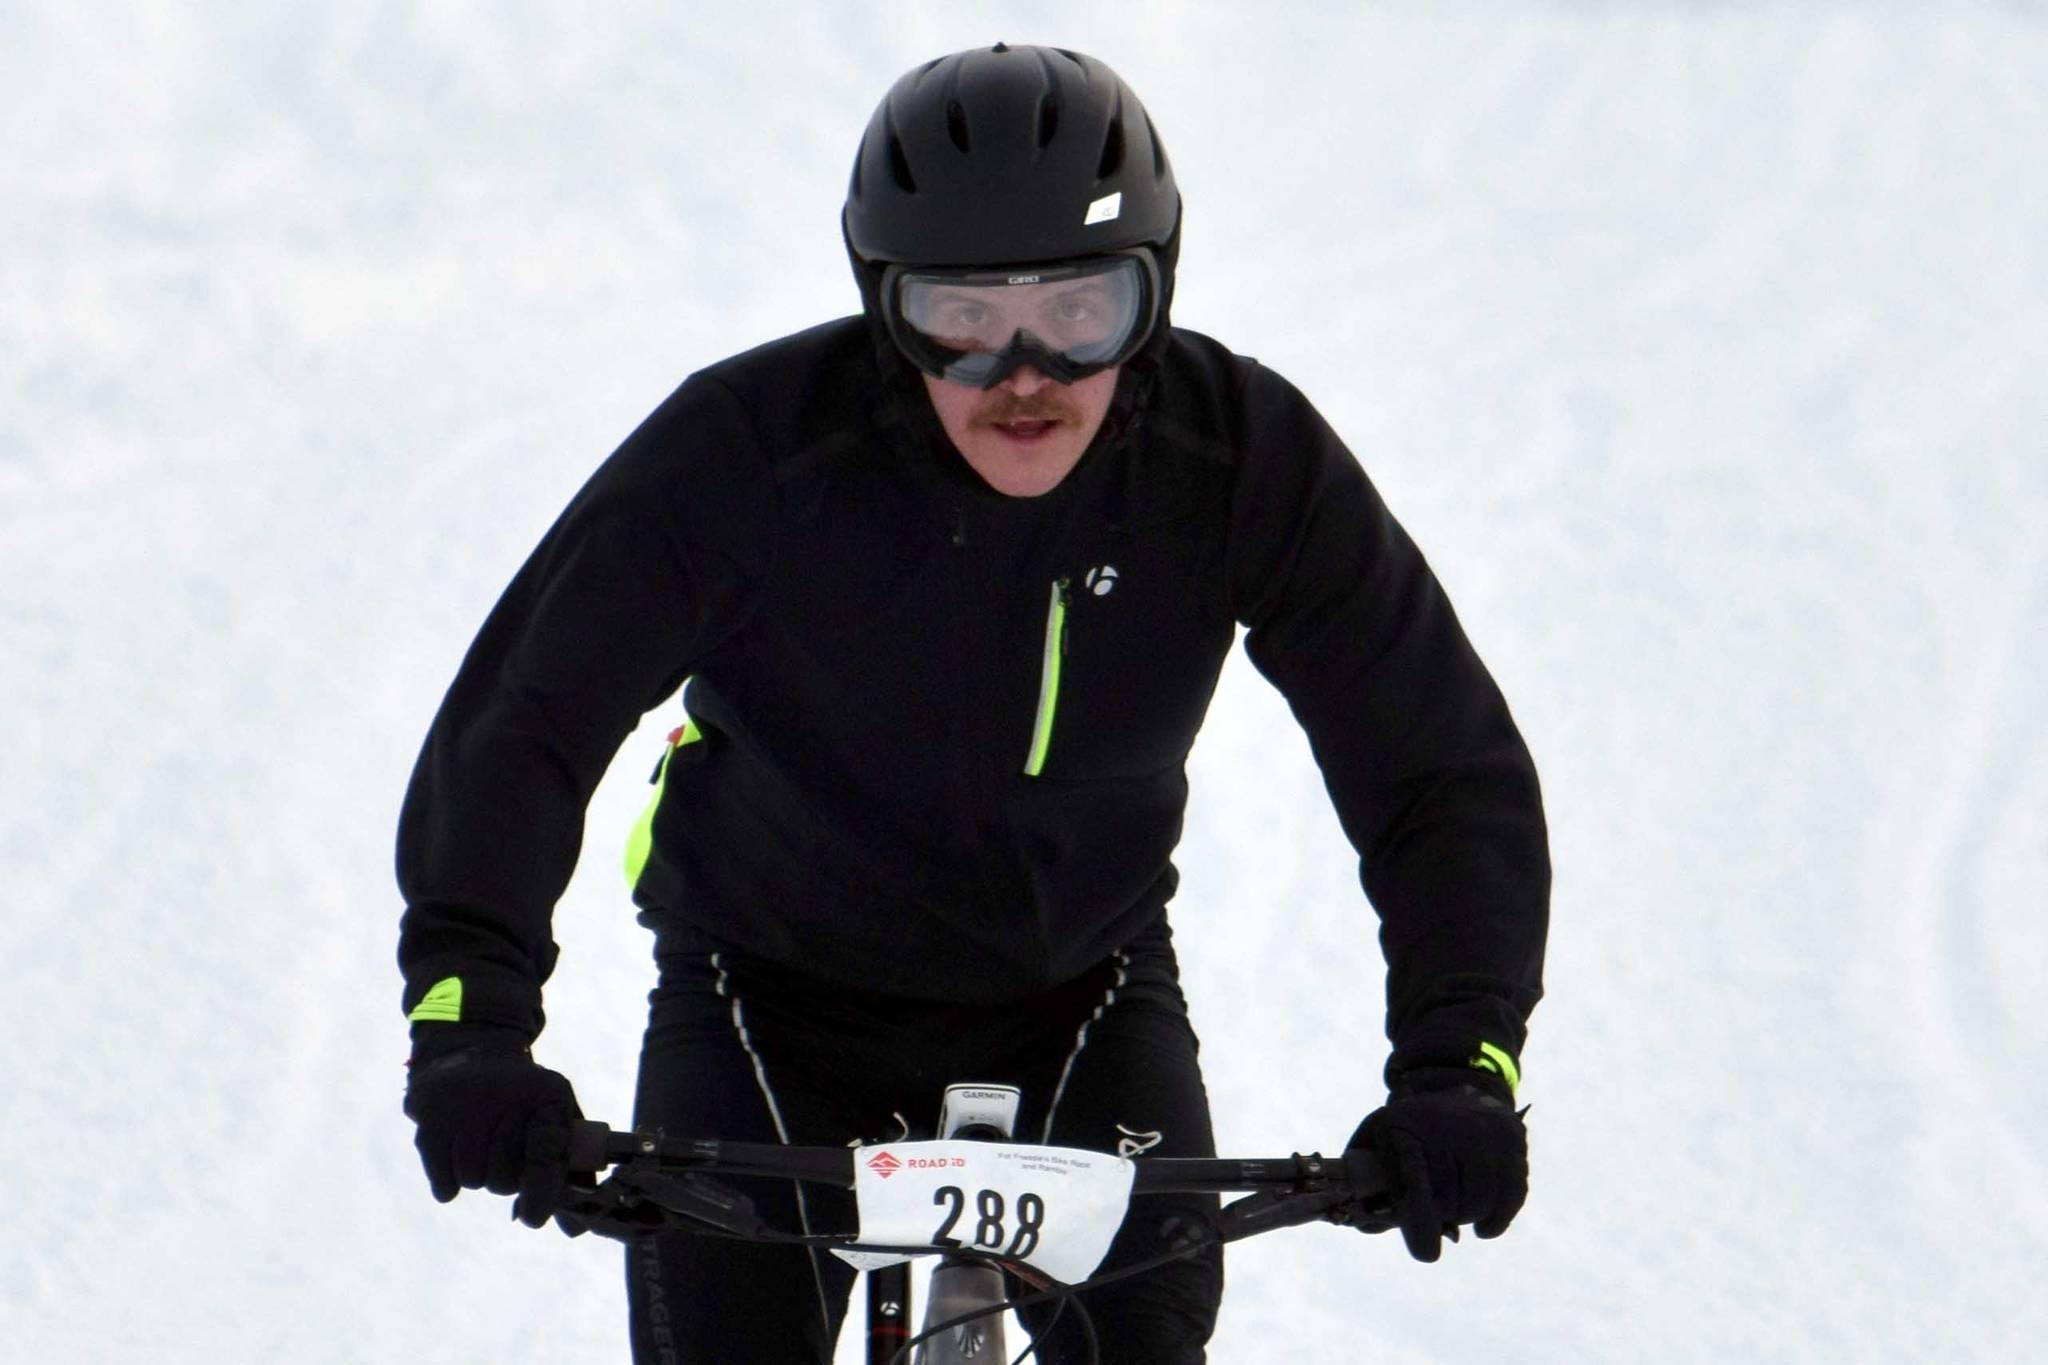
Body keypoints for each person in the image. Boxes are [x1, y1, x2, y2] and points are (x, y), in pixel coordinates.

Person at [398, 42, 1549, 1364]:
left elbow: (1434, 766)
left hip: (1079, 988)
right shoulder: (751, 453)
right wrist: (469, 1027)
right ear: (885, 307)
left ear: (1156, 293)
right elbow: (526, 719)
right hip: (765, 991)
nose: (1024, 373)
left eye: (1082, 311)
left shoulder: (1235, 459)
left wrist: (1462, 1064)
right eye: (962, 314)